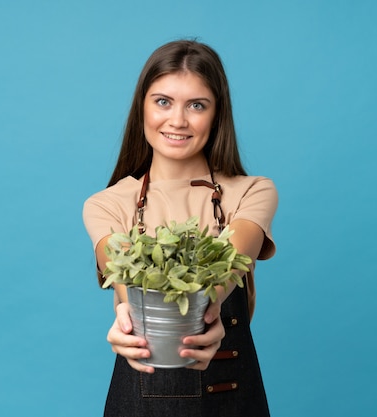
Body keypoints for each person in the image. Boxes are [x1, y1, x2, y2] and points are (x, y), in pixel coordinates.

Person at [83, 39, 278, 417]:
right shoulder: (106, 204)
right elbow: (119, 272)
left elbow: (232, 259)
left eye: (197, 105)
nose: (178, 120)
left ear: (217, 114)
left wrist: (207, 309)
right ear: (141, 107)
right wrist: (130, 315)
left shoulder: (253, 193)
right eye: (162, 101)